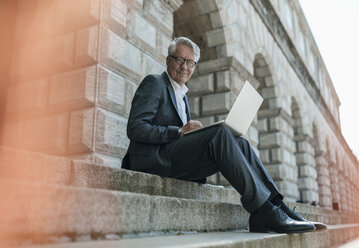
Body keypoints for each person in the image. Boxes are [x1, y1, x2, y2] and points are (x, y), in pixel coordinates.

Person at [122, 37, 326, 233]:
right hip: (152, 160)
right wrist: (179, 131)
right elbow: (135, 127)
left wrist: (187, 133)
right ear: (168, 60)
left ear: (194, 67)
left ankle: (277, 206)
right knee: (219, 133)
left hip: (172, 160)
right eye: (179, 60)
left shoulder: (183, 96)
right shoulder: (155, 83)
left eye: (190, 62)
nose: (185, 66)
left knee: (241, 143)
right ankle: (263, 210)